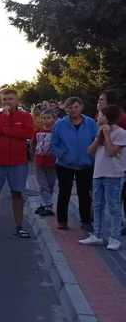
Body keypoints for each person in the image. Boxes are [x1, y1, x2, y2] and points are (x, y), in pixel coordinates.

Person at [0, 89, 36, 237]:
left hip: (18, 162)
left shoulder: (25, 117)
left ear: (16, 100)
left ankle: (19, 227)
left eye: (10, 99)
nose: (7, 102)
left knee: (17, 194)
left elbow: (28, 134)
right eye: (4, 99)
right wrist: (4, 119)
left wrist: (7, 130)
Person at [79, 104, 126, 251]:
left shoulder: (121, 133)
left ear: (106, 117)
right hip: (98, 173)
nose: (97, 116)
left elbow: (112, 152)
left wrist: (106, 135)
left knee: (113, 207)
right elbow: (90, 150)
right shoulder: (99, 132)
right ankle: (97, 235)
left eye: (99, 114)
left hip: (113, 174)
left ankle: (114, 238)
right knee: (97, 205)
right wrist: (99, 137)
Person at [50, 96, 98, 231]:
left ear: (81, 107)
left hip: (86, 164)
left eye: (76, 107)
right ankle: (62, 221)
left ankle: (86, 221)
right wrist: (63, 155)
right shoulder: (59, 124)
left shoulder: (90, 123)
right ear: (65, 109)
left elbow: (96, 140)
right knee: (64, 192)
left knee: (84, 194)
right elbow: (53, 145)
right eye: (70, 107)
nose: (73, 110)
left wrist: (92, 157)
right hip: (65, 165)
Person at [97, 89, 126, 236]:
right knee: (102, 201)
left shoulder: (121, 120)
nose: (99, 102)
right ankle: (99, 230)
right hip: (102, 166)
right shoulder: (100, 120)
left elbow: (115, 148)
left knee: (116, 200)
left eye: (102, 99)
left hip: (117, 166)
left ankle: (117, 232)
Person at [33, 108, 57, 216]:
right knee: (42, 185)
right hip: (39, 161)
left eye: (48, 118)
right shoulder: (38, 130)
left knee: (50, 184)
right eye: (44, 118)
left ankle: (46, 203)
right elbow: (33, 144)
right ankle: (47, 204)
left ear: (54, 119)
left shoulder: (56, 131)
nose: (46, 120)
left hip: (52, 162)